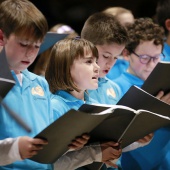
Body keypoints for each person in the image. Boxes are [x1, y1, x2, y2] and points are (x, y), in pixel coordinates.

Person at [0, 0, 102, 169]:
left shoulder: (39, 83)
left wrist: (67, 145)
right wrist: (15, 149)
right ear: (2, 37)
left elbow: (48, 145)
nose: (31, 52)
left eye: (37, 45)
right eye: (24, 44)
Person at [81, 12, 153, 170]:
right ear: (86, 46)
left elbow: (116, 142)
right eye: (106, 55)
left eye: (115, 57)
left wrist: (138, 140)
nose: (110, 63)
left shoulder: (112, 88)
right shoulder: (75, 86)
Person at [45, 37, 122, 169]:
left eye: (96, 61)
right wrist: (94, 153)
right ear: (66, 67)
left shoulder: (94, 104)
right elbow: (49, 163)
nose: (97, 67)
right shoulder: (54, 107)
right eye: (88, 62)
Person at [113, 17, 170, 170]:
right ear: (126, 53)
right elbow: (117, 137)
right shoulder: (116, 87)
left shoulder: (165, 82)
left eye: (156, 58)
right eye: (144, 58)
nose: (151, 64)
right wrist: (157, 109)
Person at [102, 7, 135, 80]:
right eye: (127, 26)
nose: (133, 30)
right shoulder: (100, 64)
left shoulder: (136, 57)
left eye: (133, 26)